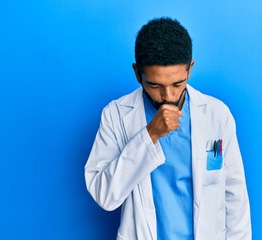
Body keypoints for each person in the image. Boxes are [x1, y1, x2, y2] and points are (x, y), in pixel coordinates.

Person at [84, 17, 251, 240]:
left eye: (177, 84)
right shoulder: (116, 115)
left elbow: (234, 195)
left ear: (190, 69)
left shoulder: (216, 115)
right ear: (137, 73)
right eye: (154, 85)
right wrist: (149, 134)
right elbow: (105, 196)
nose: (168, 96)